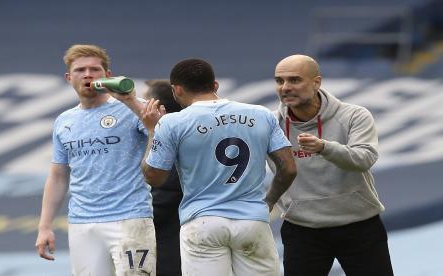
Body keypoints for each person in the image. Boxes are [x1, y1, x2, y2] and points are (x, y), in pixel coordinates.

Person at [140, 58, 297, 276]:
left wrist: (152, 131)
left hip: (203, 222)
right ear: (215, 86)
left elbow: (154, 177)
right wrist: (269, 201)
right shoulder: (262, 114)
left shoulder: (172, 123)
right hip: (252, 220)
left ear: (176, 90)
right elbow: (288, 168)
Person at [35, 44, 156, 276]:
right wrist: (44, 227)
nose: (88, 74)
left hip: (130, 218)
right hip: (82, 222)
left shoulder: (132, 107)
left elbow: (163, 136)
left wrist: (130, 102)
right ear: (69, 78)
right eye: (80, 70)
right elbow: (58, 176)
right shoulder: (64, 121)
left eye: (95, 69)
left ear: (108, 76)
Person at [273, 54, 394, 276]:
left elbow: (365, 158)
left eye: (294, 80)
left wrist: (324, 148)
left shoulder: (354, 115)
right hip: (302, 230)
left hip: (359, 226)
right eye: (280, 81)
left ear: (316, 82)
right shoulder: (271, 125)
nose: (285, 87)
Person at [143, 79, 183, 276]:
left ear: (157, 107)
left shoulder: (165, 145)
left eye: (145, 101)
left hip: (170, 249)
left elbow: (162, 197)